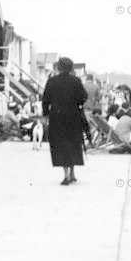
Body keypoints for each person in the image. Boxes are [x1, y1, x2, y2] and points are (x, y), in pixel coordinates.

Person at [42, 57, 87, 185]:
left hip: (57, 116)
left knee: (61, 145)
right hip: (73, 116)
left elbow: (45, 100)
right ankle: (73, 173)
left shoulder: (52, 81)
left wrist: (45, 115)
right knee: (73, 144)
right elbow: (83, 97)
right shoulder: (76, 81)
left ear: (58, 67)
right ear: (71, 68)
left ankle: (66, 175)